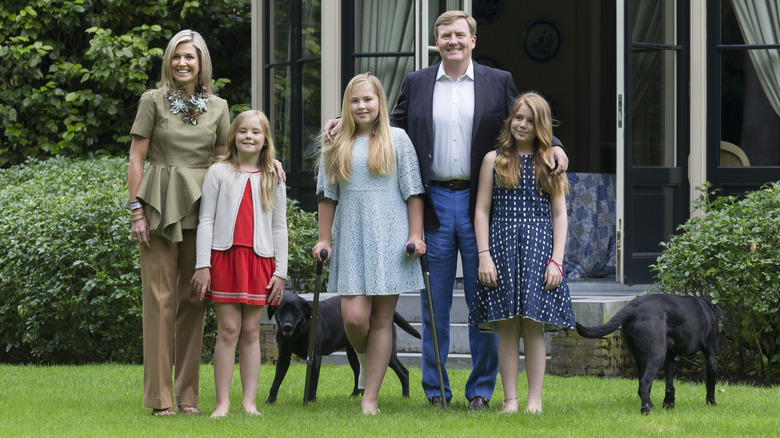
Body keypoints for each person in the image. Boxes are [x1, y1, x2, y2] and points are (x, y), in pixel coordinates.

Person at [127, 30, 230, 417]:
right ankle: (159, 399)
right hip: (157, 203)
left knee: (193, 299)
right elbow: (137, 157)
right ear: (169, 62)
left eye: (190, 57)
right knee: (158, 301)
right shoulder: (152, 101)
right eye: (176, 57)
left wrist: (267, 163)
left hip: (202, 208)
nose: (182, 63)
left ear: (201, 62)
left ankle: (187, 398)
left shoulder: (219, 107)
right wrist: (135, 209)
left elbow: (224, 161)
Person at [312, 72, 426, 415]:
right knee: (354, 318)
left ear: (380, 103)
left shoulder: (398, 139)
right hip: (352, 236)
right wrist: (323, 238)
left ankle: (370, 398)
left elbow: (413, 191)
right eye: (355, 100)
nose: (362, 106)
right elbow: (327, 196)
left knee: (381, 318)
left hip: (391, 237)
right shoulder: (337, 142)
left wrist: (415, 235)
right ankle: (365, 360)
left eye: (368, 99)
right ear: (347, 106)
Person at [470, 92, 576, 414]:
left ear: (540, 125)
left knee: (533, 324)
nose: (523, 124)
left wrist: (556, 260)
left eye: (530, 120)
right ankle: (510, 400)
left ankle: (535, 400)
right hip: (501, 249)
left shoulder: (550, 162)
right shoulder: (494, 160)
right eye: (518, 117)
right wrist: (483, 255)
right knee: (507, 324)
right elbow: (482, 211)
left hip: (538, 250)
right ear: (510, 120)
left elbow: (560, 215)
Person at [191, 110, 288, 417]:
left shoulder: (274, 175)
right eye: (243, 131)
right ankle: (222, 402)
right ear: (234, 136)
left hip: (260, 261)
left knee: (251, 331)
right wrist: (202, 264)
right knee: (228, 329)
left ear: (265, 140)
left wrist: (281, 272)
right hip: (224, 258)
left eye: (256, 132)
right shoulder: (219, 172)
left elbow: (279, 226)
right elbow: (205, 219)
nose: (249, 137)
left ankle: (249, 402)